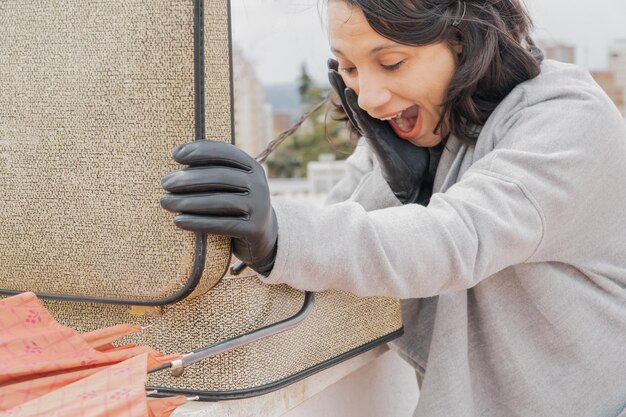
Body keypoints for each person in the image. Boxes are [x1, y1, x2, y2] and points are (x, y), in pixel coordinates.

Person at [160, 0, 626, 415]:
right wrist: (399, 187)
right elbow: (337, 257)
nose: (368, 97)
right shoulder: (417, 127)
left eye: (392, 62)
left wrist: (281, 232)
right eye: (349, 68)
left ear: (465, 41)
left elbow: (457, 240)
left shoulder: (567, 118)